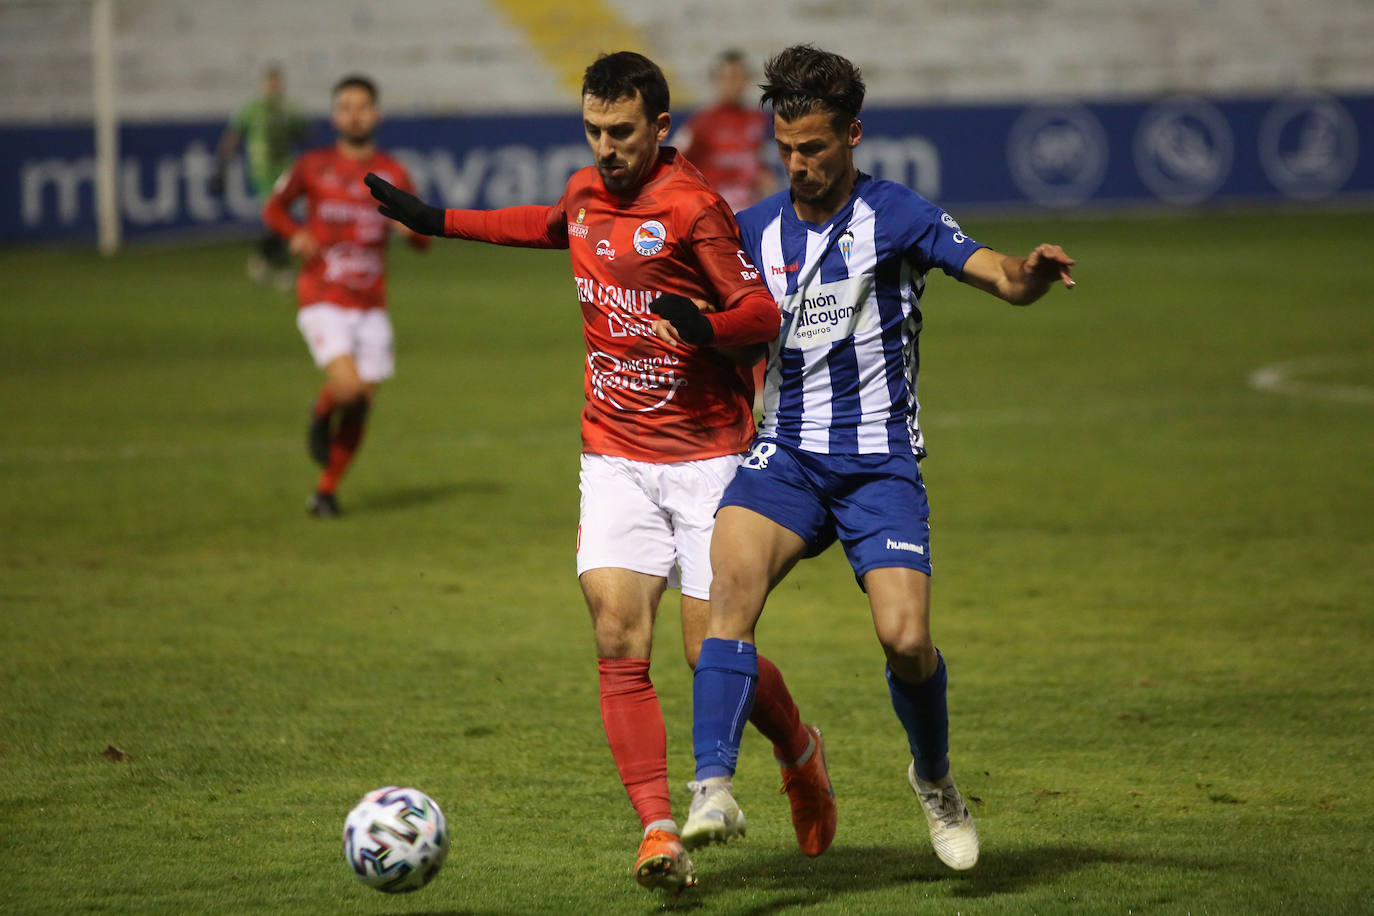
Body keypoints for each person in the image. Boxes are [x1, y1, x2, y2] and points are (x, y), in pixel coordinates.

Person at [363, 51, 837, 894]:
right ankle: (658, 831)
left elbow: (761, 312)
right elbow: (545, 224)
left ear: (660, 127)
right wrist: (436, 219)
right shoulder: (587, 194)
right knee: (618, 635)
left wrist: (707, 327)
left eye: (622, 133)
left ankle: (798, 748)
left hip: (709, 461)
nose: (606, 148)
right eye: (593, 131)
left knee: (709, 652)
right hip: (615, 452)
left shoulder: (695, 209)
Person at [661, 44, 1076, 872]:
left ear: (852, 135)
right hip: (785, 456)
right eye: (786, 150)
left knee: (906, 639)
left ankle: (934, 777)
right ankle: (712, 787)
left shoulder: (897, 214)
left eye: (813, 148)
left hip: (881, 463)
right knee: (724, 602)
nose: (798, 164)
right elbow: (709, 317)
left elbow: (992, 271)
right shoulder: (753, 232)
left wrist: (1027, 275)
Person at [261, 75, 429, 518]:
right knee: (349, 390)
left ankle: (325, 491)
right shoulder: (312, 165)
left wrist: (408, 228)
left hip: (372, 305)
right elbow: (273, 208)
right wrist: (294, 233)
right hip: (323, 295)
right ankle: (321, 411)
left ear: (377, 114)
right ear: (335, 116)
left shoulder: (393, 173)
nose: (354, 114)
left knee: (361, 405)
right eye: (346, 107)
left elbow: (423, 240)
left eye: (362, 106)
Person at [214, 64, 310, 286]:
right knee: (275, 214)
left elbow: (304, 132)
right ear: (264, 85)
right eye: (270, 82)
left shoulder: (288, 109)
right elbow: (233, 134)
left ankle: (263, 258)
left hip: (285, 168)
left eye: (277, 82)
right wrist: (222, 164)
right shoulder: (252, 109)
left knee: (279, 216)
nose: (274, 86)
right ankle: (281, 266)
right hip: (262, 170)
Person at [677, 49, 776, 213]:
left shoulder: (757, 119)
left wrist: (764, 177)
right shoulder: (701, 121)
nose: (734, 83)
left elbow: (759, 161)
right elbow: (675, 162)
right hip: (714, 210)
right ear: (717, 80)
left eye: (740, 77)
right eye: (729, 77)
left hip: (750, 209)